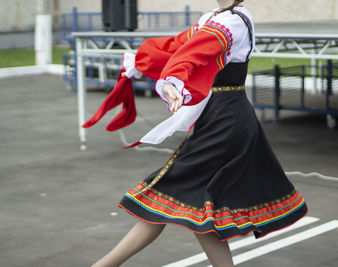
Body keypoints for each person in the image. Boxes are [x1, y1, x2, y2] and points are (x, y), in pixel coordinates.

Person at [91, 0, 308, 266]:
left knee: (169, 195)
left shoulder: (233, 22)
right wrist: (141, 60)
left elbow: (195, 52)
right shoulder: (215, 17)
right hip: (220, 118)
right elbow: (178, 45)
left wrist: (172, 77)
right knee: (197, 206)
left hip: (225, 122)